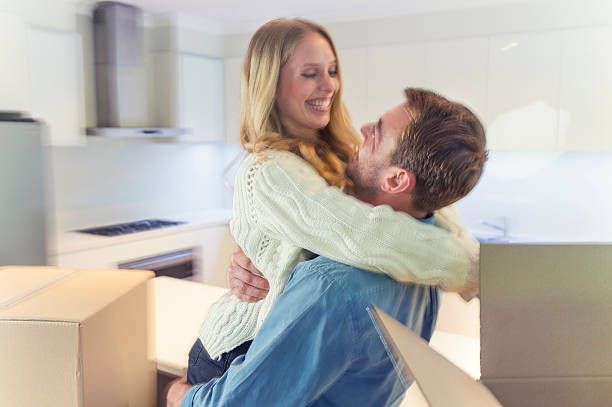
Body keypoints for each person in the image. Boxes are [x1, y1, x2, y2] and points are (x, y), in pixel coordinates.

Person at [187, 17, 479, 387]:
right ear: (272, 87)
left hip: (287, 345)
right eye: (310, 73)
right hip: (237, 353)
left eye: (332, 70)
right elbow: (361, 235)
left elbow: (430, 205)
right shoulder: (268, 172)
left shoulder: (343, 154)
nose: (330, 85)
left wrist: (476, 258)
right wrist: (475, 270)